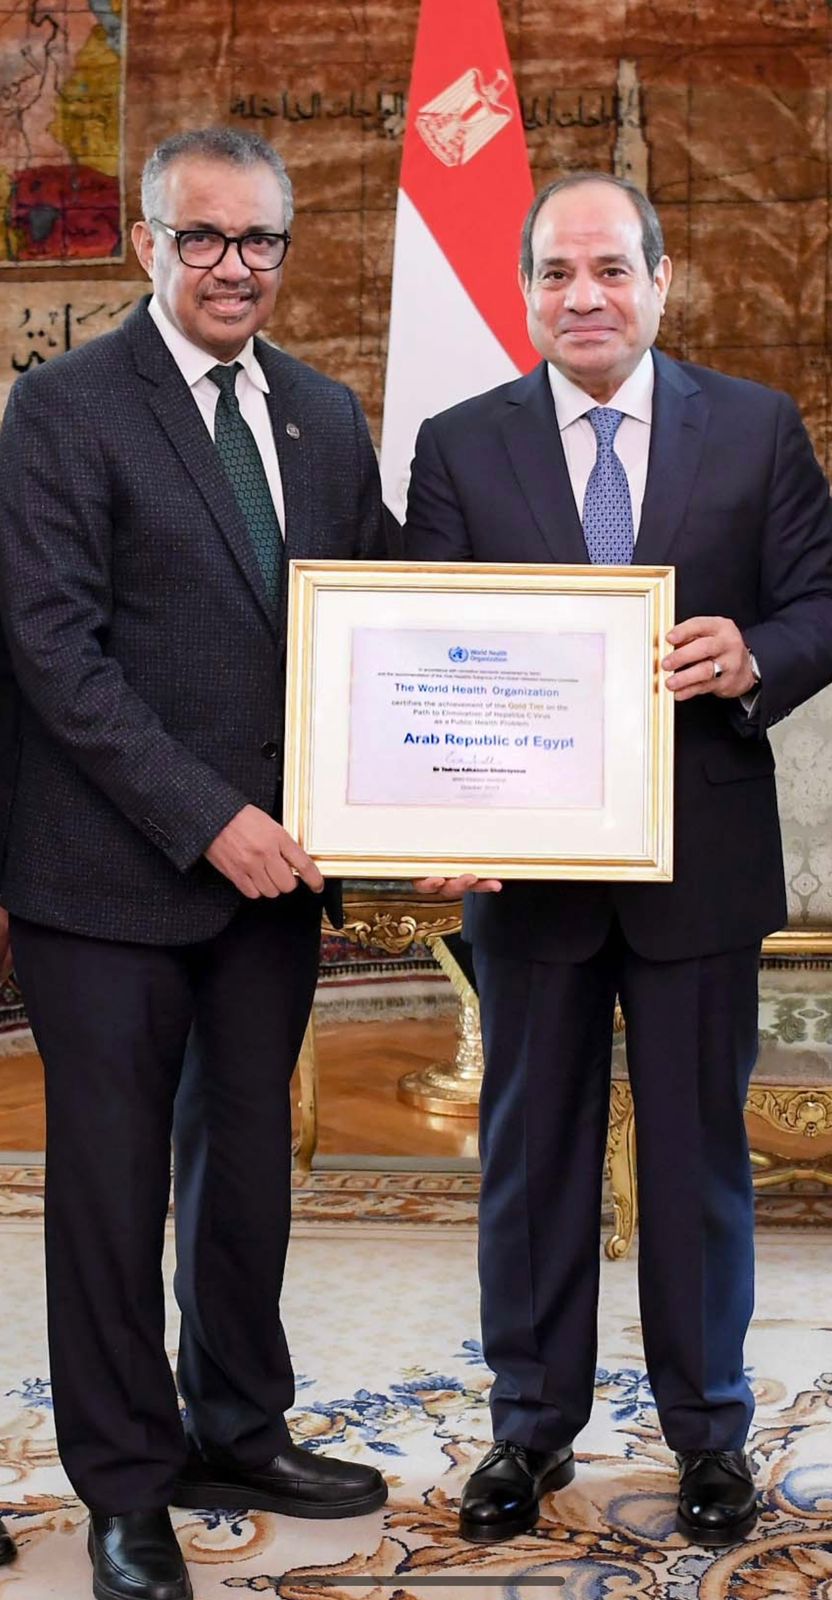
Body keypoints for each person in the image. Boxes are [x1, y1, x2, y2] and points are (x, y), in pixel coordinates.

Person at [404, 172, 832, 1548]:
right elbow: (421, 638)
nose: (581, 296)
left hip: (698, 858)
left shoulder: (756, 427)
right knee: (531, 1159)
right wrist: (420, 807)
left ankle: (709, 1435)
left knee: (700, 1162)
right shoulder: (460, 444)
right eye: (554, 272)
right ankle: (529, 1432)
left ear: (660, 281)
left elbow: (821, 599)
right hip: (527, 872)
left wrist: (756, 654)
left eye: (608, 269)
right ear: (525, 290)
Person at [0, 127, 389, 1600]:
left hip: (273, 883)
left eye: (261, 240)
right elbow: (56, 653)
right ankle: (124, 1484)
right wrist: (209, 817)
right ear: (150, 244)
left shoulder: (324, 414)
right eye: (205, 237)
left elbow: (380, 612)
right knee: (111, 1194)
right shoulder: (62, 406)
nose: (236, 267)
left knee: (245, 1173)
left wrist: (472, 778)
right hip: (107, 879)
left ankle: (238, 1428)